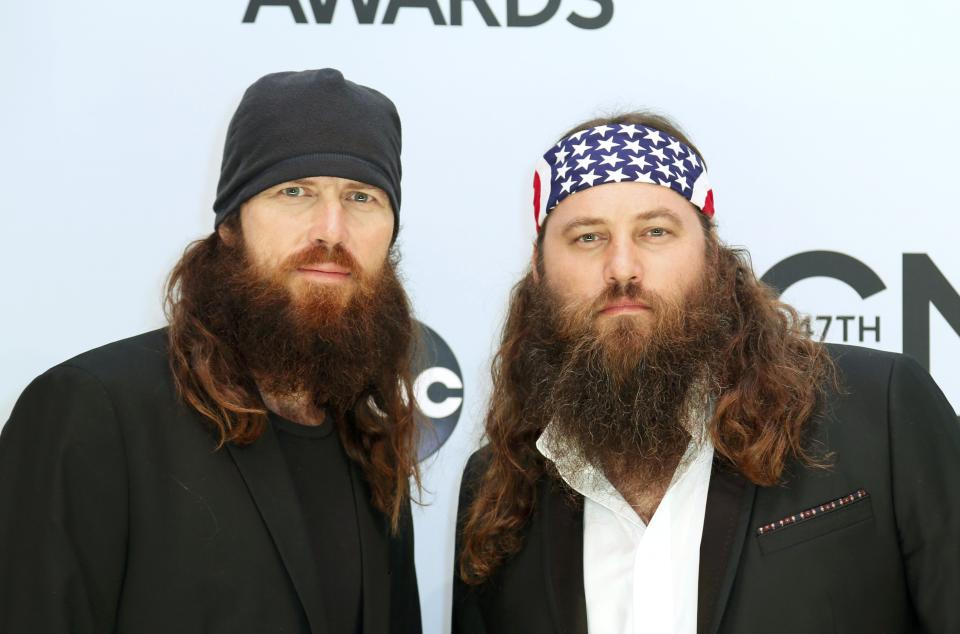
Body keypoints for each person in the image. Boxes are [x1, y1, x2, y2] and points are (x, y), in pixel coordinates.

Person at [452, 112, 960, 633]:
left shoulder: (879, 410)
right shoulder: (496, 490)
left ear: (712, 258)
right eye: (587, 237)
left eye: (655, 231)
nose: (622, 267)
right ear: (538, 272)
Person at [0, 68, 422, 634]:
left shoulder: (374, 447)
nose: (331, 229)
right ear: (230, 224)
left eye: (361, 196)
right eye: (293, 191)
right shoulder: (93, 410)